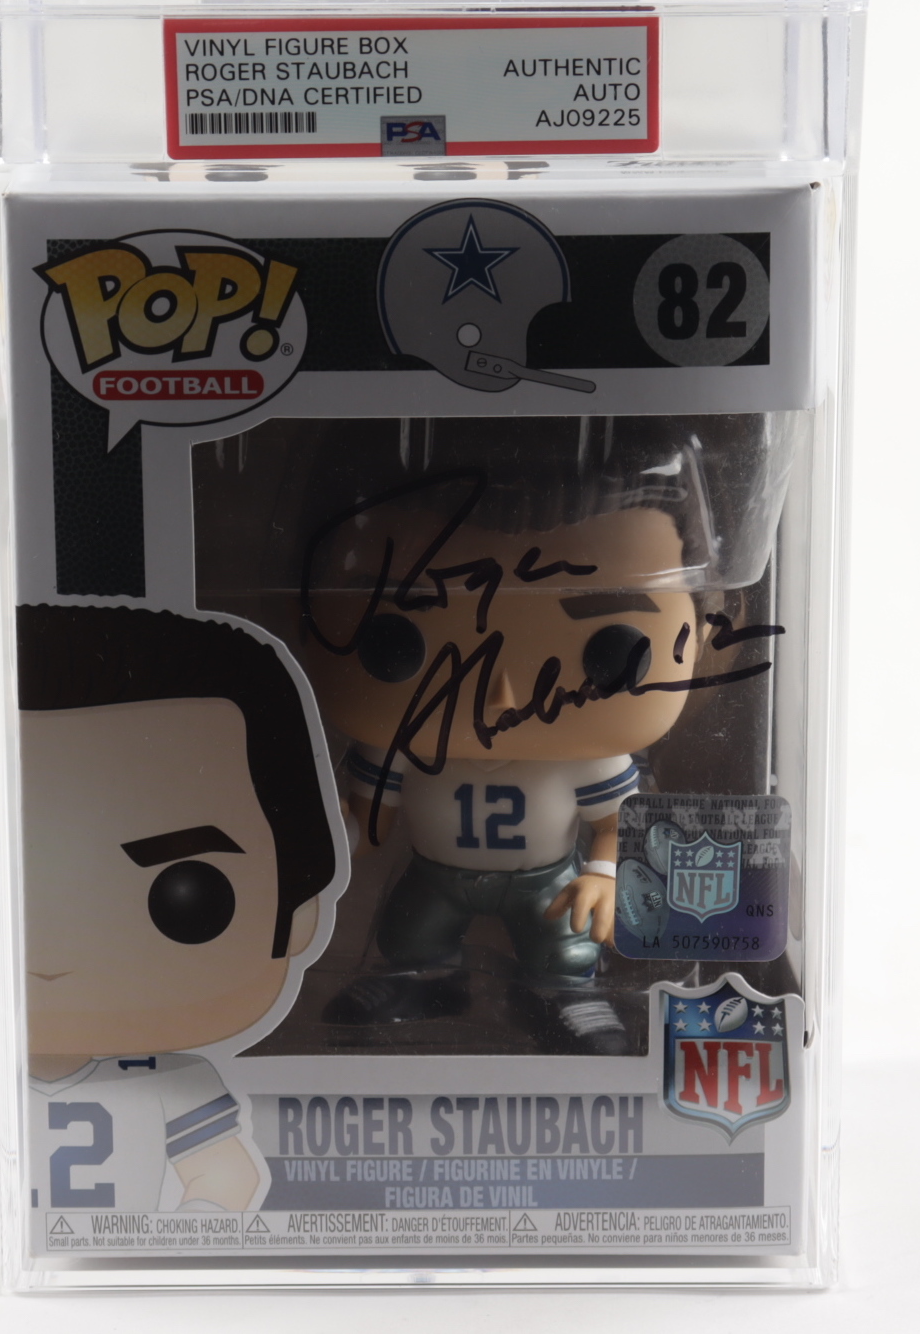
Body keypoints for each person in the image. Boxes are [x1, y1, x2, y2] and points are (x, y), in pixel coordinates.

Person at [299, 419, 708, 1053]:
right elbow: (369, 820)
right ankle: (423, 982)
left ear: (702, 634)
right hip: (435, 874)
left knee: (564, 944)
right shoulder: (403, 745)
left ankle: (562, 993)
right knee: (408, 934)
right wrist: (325, 850)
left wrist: (604, 875)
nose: (504, 699)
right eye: (395, 643)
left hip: (545, 880)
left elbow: (618, 823)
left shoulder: (585, 758)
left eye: (611, 650)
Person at [17, 604, 338, 1213]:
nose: (52, 951)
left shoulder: (171, 1079)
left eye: (185, 895)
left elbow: (226, 1177)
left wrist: (186, 1237)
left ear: (299, 914)